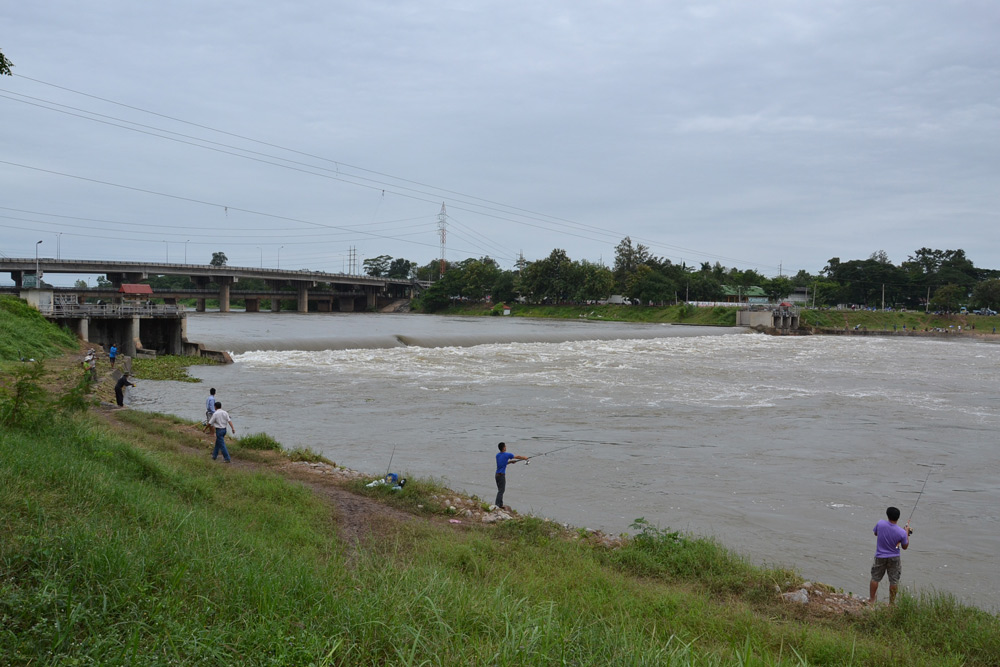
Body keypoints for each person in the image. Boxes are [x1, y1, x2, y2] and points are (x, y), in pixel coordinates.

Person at [869, 506, 911, 605]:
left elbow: (875, 533)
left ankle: (871, 600)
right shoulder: (902, 532)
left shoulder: (880, 524)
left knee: (875, 578)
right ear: (898, 518)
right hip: (894, 558)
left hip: (880, 556)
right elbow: (905, 546)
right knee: (893, 581)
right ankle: (891, 604)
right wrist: (907, 533)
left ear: (887, 515)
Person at [494, 442, 528, 510]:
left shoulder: (497, 455)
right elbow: (517, 456)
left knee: (500, 490)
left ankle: (500, 504)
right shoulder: (507, 454)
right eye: (505, 446)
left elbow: (502, 464)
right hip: (501, 475)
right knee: (501, 491)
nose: (506, 447)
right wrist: (525, 458)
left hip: (497, 475)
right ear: (503, 448)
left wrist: (510, 462)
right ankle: (497, 505)